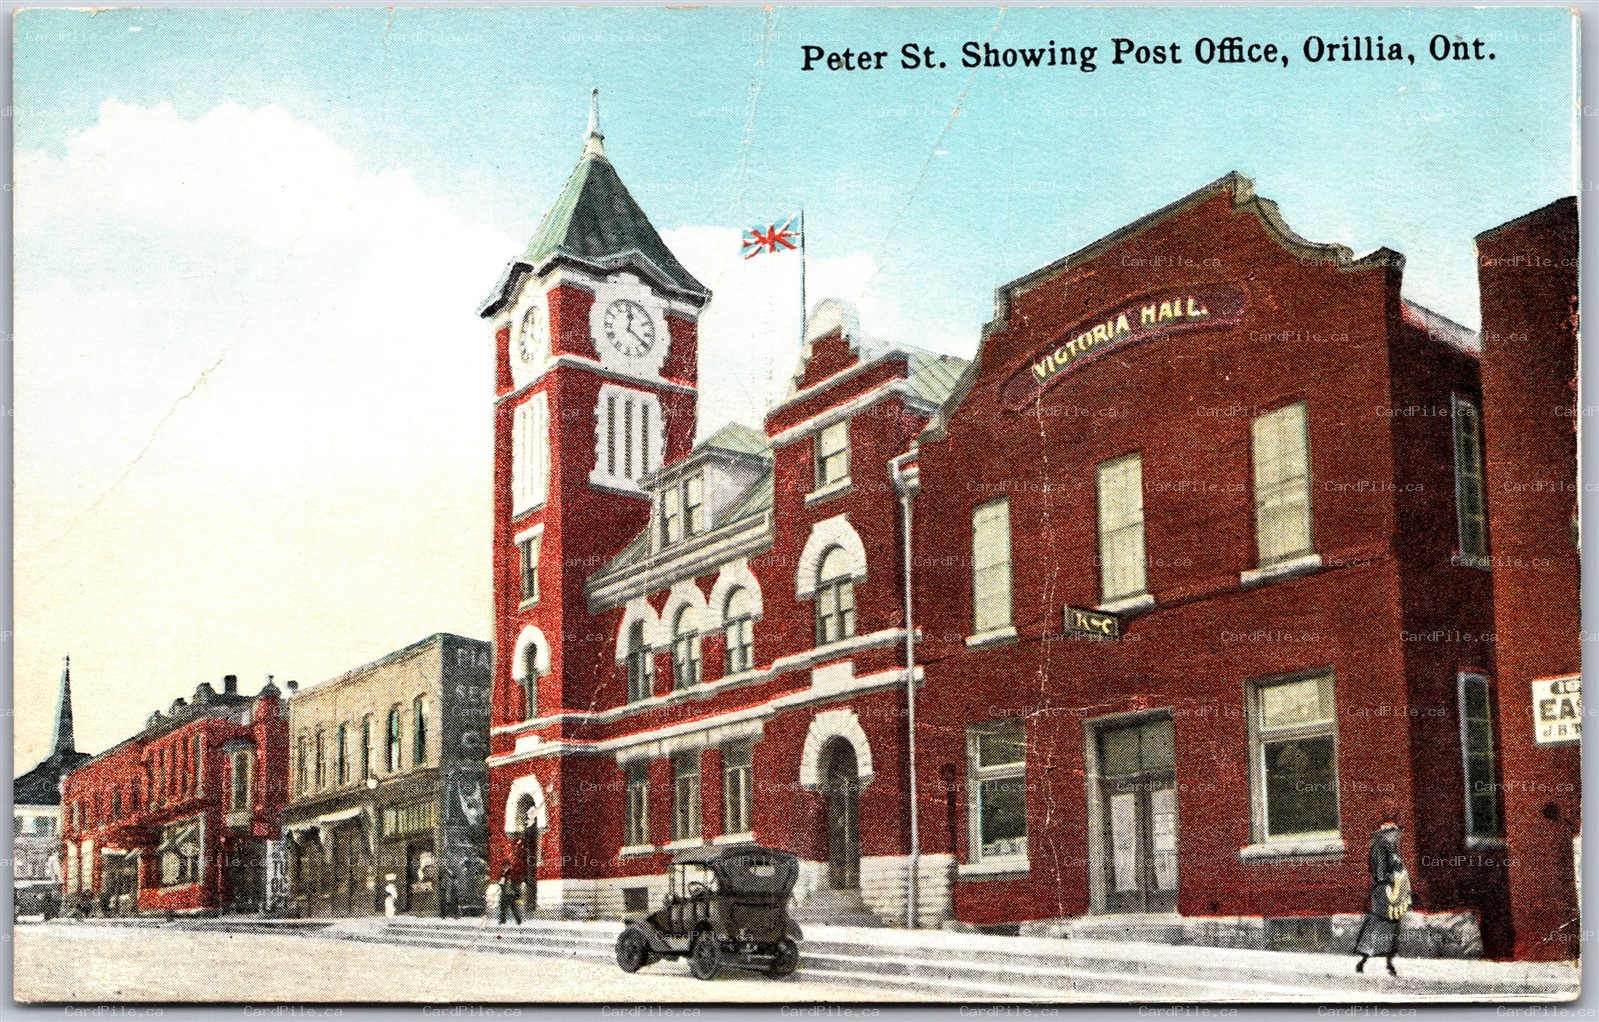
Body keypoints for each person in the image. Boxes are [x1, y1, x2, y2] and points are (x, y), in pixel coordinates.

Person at [1354, 819, 1412, 976]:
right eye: (1394, 833)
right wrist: (1395, 876)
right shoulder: (1380, 848)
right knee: (1379, 924)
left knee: (1392, 925)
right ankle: (1364, 960)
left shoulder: (1393, 848)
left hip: (1392, 891)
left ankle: (1388, 962)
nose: (1397, 836)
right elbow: (1380, 874)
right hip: (1383, 892)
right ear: (1386, 834)